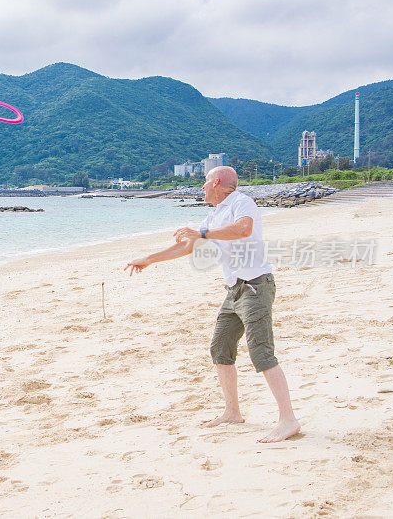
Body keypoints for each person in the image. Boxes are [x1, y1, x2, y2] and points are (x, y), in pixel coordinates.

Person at [126, 166, 300, 443]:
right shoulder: (214, 214)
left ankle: (288, 420)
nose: (202, 188)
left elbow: (244, 229)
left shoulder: (241, 203)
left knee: (261, 353)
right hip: (233, 291)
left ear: (217, 182)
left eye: (205, 182)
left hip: (255, 287)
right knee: (220, 349)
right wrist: (148, 259)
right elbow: (187, 246)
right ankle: (233, 412)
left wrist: (203, 235)